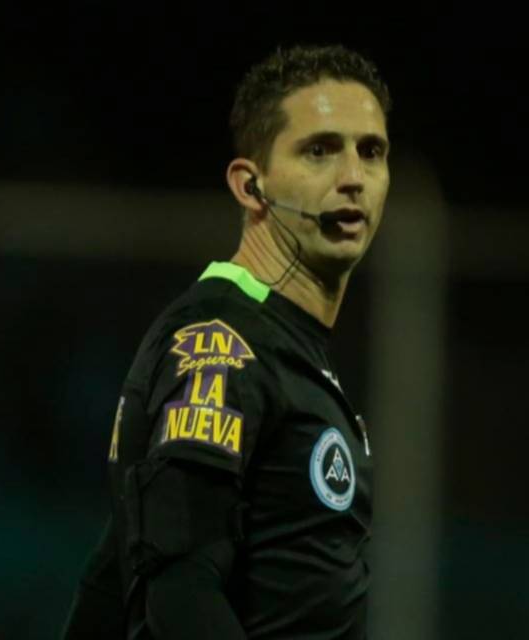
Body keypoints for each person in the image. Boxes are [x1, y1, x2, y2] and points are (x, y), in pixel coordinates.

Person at [61, 43, 392, 639]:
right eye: (319, 151)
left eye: (371, 152)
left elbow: (116, 573)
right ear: (250, 185)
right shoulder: (221, 340)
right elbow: (180, 589)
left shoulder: (285, 344)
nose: (352, 179)